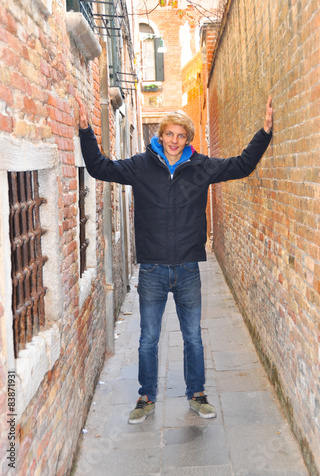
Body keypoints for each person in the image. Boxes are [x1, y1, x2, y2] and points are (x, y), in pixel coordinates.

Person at [77, 94, 273, 424]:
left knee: (193, 337)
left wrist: (264, 133)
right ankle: (145, 397)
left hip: (187, 267)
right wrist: (85, 130)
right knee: (148, 339)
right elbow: (100, 168)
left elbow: (241, 165)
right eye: (169, 134)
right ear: (160, 136)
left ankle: (196, 394)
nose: (174, 141)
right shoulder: (141, 165)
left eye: (181, 136)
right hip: (152, 268)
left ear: (187, 139)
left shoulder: (201, 167)